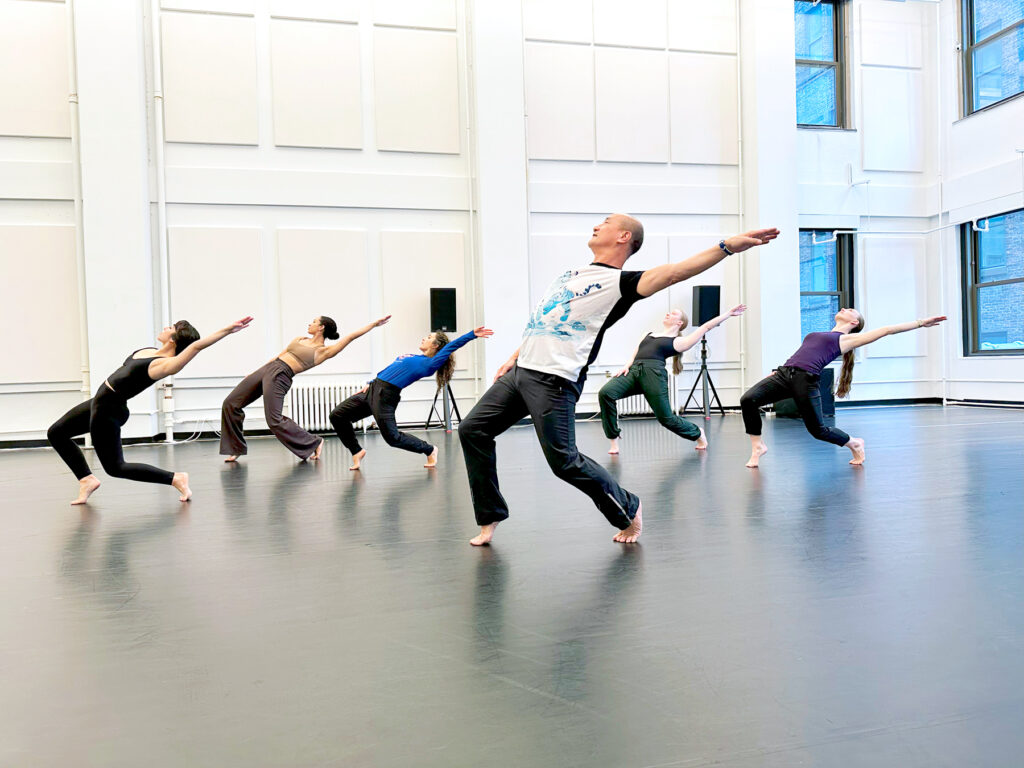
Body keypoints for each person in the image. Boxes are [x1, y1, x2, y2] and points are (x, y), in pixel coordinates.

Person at [458, 213, 779, 546]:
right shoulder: (571, 274)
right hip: (522, 371)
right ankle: (490, 513)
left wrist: (726, 247)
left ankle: (628, 506)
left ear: (624, 237)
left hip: (554, 380)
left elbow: (675, 272)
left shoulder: (621, 284)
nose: (597, 225)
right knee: (473, 430)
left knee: (564, 462)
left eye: (606, 222)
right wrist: (513, 357)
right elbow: (546, 319)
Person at [48, 316, 253, 505]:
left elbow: (196, 347)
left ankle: (176, 478)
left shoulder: (164, 365)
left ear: (174, 339)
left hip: (109, 410)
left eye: (171, 327)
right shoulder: (148, 351)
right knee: (56, 432)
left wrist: (227, 329)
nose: (166, 327)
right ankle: (86, 479)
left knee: (115, 468)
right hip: (99, 403)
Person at [740, 309, 946, 467]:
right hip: (785, 374)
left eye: (850, 310)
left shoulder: (846, 340)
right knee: (748, 399)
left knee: (818, 431)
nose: (844, 308)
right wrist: (778, 371)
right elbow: (802, 354)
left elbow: (887, 330)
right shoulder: (817, 334)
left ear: (854, 322)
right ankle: (758, 445)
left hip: (806, 380)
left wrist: (920, 323)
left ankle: (854, 443)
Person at [220, 315, 390, 462]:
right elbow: (278, 356)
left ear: (321, 327)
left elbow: (351, 336)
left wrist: (374, 324)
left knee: (274, 419)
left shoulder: (324, 351)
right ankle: (235, 448)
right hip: (268, 369)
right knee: (230, 403)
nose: (310, 324)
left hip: (282, 375)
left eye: (314, 322)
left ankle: (313, 442)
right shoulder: (299, 339)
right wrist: (254, 373)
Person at [330, 327, 493, 470]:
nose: (424, 338)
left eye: (429, 338)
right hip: (372, 390)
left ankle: (429, 450)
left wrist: (471, 334)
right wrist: (371, 382)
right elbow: (391, 369)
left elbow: (451, 347)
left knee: (392, 438)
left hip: (385, 396)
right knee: (337, 415)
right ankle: (357, 451)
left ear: (435, 346)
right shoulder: (415, 357)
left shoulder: (430, 363)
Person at [599, 304, 746, 455]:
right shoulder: (647, 334)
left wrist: (728, 314)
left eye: (674, 313)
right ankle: (614, 440)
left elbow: (706, 327)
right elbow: (634, 354)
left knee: (666, 418)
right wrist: (626, 366)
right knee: (606, 393)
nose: (668, 314)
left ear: (679, 323)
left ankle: (697, 432)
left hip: (654, 376)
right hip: (633, 372)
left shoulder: (678, 342)